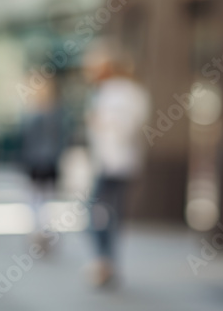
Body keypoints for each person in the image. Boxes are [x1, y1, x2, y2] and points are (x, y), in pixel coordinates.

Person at [82, 43, 150, 287]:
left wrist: (102, 121)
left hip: (117, 163)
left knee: (97, 212)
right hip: (111, 162)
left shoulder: (125, 93)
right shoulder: (110, 91)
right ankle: (107, 262)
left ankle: (104, 261)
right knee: (109, 214)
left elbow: (127, 127)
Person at [18, 78, 67, 252]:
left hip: (39, 162)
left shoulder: (37, 114)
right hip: (49, 162)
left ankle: (40, 232)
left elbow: (27, 138)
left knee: (36, 199)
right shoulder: (58, 114)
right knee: (45, 199)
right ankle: (43, 232)